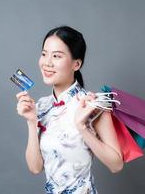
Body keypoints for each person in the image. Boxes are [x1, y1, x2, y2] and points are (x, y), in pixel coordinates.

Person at [15, 26, 123, 194]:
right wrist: (31, 120)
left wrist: (82, 127)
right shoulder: (42, 106)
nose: (47, 62)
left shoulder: (93, 104)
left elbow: (116, 165)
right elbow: (35, 168)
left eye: (57, 56)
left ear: (76, 64)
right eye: (44, 54)